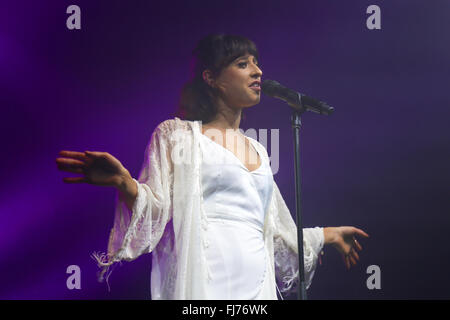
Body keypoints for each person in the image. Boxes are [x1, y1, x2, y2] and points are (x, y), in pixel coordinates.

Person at [56, 34, 369, 300]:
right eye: (242, 64)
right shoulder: (177, 135)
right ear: (211, 78)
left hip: (256, 288)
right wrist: (125, 183)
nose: (258, 71)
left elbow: (274, 234)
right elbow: (158, 209)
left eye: (257, 62)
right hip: (206, 283)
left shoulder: (257, 148)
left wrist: (324, 234)